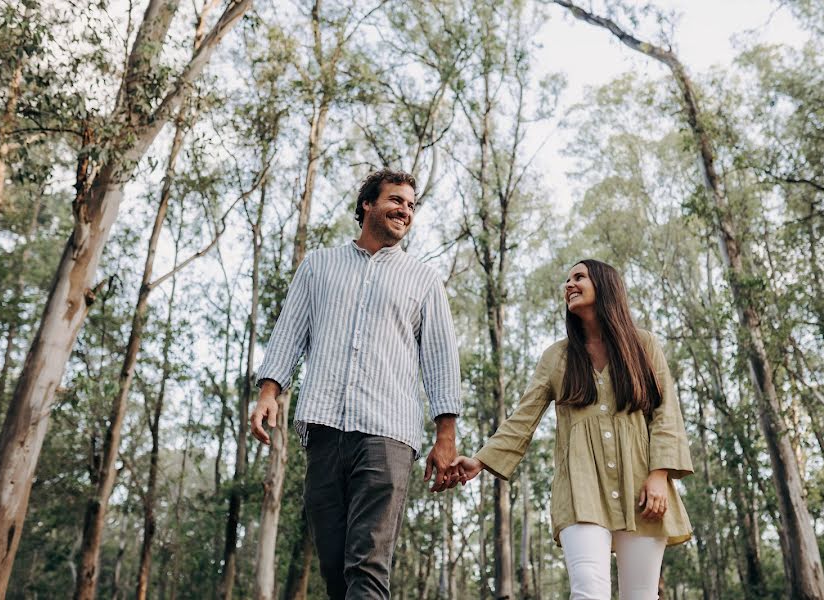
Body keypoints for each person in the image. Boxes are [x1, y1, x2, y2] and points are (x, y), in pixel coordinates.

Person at [250, 168, 462, 599]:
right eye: (396, 200)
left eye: (411, 205)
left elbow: (440, 358)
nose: (405, 210)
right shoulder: (320, 265)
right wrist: (269, 391)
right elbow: (291, 330)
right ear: (367, 204)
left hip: (388, 434)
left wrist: (446, 436)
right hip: (325, 429)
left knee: (366, 563)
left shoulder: (423, 280)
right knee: (333, 566)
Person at [452, 259, 694, 600]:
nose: (569, 285)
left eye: (578, 277)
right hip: (579, 489)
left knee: (641, 595)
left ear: (606, 286)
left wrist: (659, 475)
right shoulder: (556, 357)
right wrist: (480, 460)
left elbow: (666, 413)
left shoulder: (644, 344)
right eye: (567, 280)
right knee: (588, 591)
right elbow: (523, 417)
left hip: (641, 486)